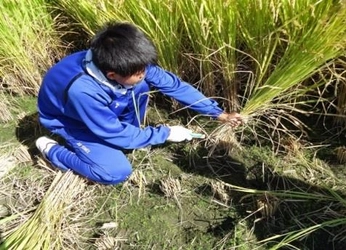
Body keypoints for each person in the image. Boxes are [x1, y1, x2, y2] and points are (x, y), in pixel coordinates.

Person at [36, 21, 243, 185]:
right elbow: (113, 133)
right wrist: (166, 133)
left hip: (99, 109)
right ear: (112, 74)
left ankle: (135, 136)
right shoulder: (82, 91)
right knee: (114, 172)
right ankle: (53, 150)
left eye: (145, 68)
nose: (145, 73)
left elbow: (175, 86)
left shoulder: (131, 62)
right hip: (71, 119)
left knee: (140, 88)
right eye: (139, 73)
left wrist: (219, 114)